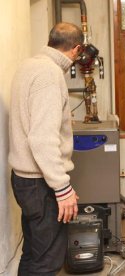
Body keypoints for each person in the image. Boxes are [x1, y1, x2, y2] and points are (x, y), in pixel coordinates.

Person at [8, 22, 82, 275]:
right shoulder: (49, 75)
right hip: (41, 183)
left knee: (33, 254)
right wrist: (63, 188)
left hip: (24, 179)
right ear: (76, 49)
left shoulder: (29, 65)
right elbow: (41, 138)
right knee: (48, 260)